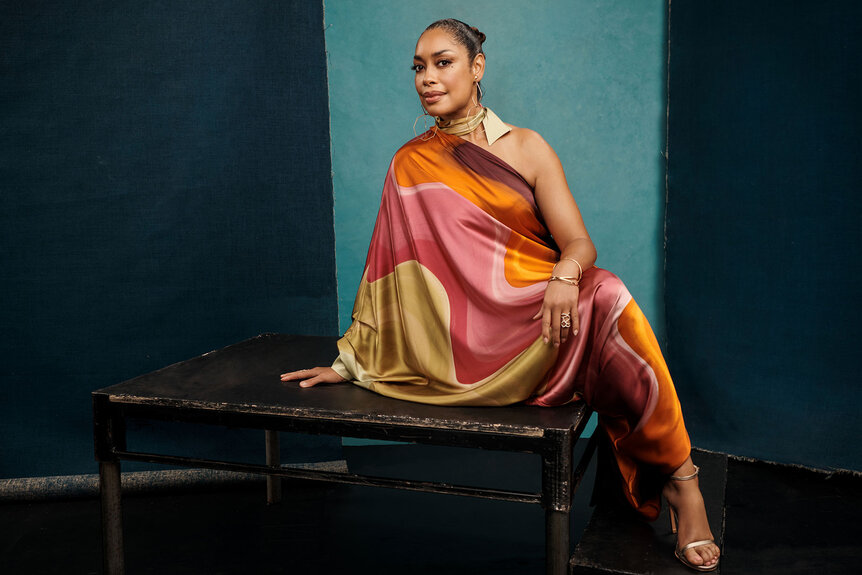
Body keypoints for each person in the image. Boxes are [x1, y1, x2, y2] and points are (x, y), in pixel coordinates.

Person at [281, 18, 720, 572]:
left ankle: (682, 480)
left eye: (443, 63)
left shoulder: (528, 147)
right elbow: (389, 275)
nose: (427, 78)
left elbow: (578, 242)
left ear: (477, 67)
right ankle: (677, 478)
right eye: (419, 67)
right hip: (458, 340)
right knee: (604, 303)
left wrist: (563, 277)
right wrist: (351, 360)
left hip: (537, 314)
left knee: (606, 292)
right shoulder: (409, 163)